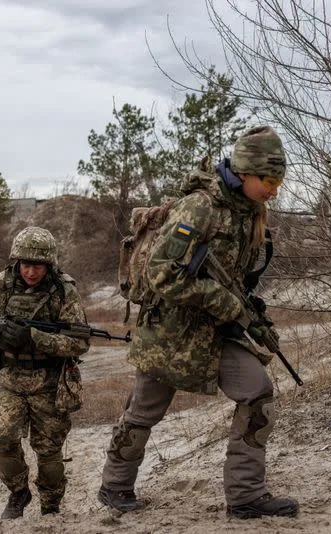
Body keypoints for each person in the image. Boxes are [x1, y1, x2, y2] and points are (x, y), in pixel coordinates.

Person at [98, 126, 299, 520]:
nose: (274, 189)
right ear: (245, 173)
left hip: (216, 331)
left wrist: (252, 316)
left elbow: (235, 281)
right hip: (171, 333)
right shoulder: (200, 208)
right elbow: (162, 274)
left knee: (257, 392)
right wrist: (221, 301)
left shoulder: (250, 214)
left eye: (280, 181)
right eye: (269, 180)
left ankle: (245, 496)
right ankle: (115, 485)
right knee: (143, 412)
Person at [0, 226, 90, 519]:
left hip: (49, 382)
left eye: (37, 266)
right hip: (11, 380)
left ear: (49, 264)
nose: (30, 272)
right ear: (17, 262)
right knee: (4, 441)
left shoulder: (64, 290)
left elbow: (79, 342)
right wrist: (0, 338)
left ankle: (50, 506)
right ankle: (18, 493)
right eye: (26, 265)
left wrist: (35, 338)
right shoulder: (0, 285)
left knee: (49, 452)